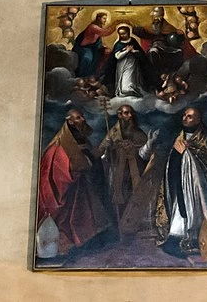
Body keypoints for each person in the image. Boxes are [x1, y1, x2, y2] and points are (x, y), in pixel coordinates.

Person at [146, 106, 207, 261]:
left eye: (190, 116)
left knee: (197, 211)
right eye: (184, 115)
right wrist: (177, 152)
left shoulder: (205, 138)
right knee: (180, 212)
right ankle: (178, 239)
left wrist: (190, 151)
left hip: (199, 186)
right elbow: (173, 161)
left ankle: (196, 240)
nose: (185, 118)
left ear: (198, 120)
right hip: (181, 183)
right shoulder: (179, 137)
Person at [36, 108, 117, 260]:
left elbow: (90, 158)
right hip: (67, 190)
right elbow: (60, 171)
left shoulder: (81, 139)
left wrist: (101, 155)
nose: (82, 120)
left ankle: (87, 242)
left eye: (82, 117)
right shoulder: (59, 145)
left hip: (80, 188)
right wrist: (80, 169)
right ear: (70, 121)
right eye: (78, 118)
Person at [99, 104, 151, 232]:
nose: (130, 116)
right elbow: (103, 148)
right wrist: (111, 147)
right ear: (120, 115)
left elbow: (145, 148)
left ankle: (135, 222)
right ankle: (119, 222)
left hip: (135, 169)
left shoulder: (138, 132)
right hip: (119, 170)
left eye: (130, 113)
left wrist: (133, 146)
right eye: (126, 113)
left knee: (135, 192)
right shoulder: (113, 133)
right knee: (119, 193)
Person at [105, 23, 154, 99]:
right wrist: (126, 51)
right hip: (122, 64)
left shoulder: (133, 41)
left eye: (124, 33)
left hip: (133, 64)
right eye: (120, 34)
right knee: (125, 79)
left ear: (128, 33)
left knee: (133, 78)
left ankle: (133, 90)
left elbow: (139, 52)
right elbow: (117, 56)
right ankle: (125, 91)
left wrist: (134, 51)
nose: (122, 35)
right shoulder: (118, 44)